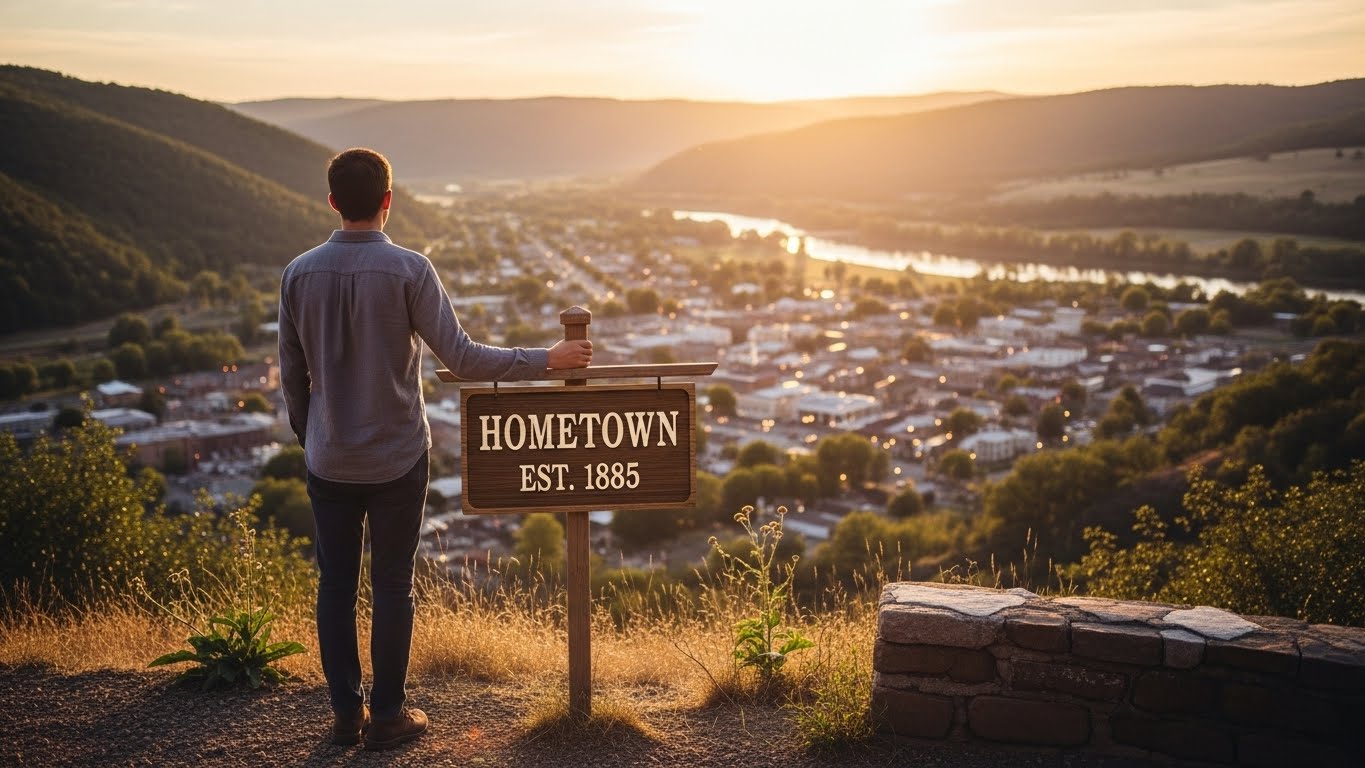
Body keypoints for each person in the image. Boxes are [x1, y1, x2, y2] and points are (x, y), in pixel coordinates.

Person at [278, 148, 591, 750]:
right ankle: (389, 716)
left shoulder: (297, 274)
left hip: (328, 456)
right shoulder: (409, 270)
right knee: (393, 583)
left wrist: (310, 434)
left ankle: (346, 715)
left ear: (333, 201)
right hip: (398, 455)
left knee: (335, 586)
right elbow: (465, 358)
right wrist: (545, 360)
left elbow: (293, 375)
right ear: (388, 202)